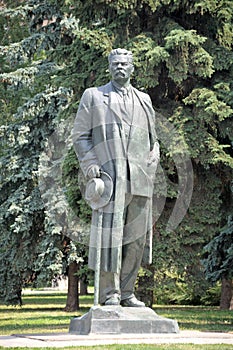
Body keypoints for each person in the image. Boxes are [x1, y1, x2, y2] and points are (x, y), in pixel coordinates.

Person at [72, 48, 160, 307]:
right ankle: (109, 293)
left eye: (125, 64)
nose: (120, 67)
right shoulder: (94, 96)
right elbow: (80, 136)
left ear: (133, 69)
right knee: (110, 238)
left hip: (140, 178)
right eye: (116, 64)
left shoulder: (144, 99)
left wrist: (155, 154)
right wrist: (90, 165)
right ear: (109, 68)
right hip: (111, 179)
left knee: (136, 238)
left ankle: (128, 292)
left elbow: (153, 139)